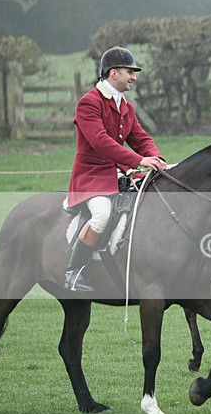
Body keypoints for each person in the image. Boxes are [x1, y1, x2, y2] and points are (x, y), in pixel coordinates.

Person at [64, 46, 167, 292]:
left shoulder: (126, 107)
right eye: (129, 71)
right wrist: (138, 161)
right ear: (113, 73)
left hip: (119, 172)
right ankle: (74, 271)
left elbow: (141, 139)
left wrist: (156, 158)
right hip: (92, 177)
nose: (134, 77)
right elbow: (100, 142)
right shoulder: (89, 103)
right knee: (101, 214)